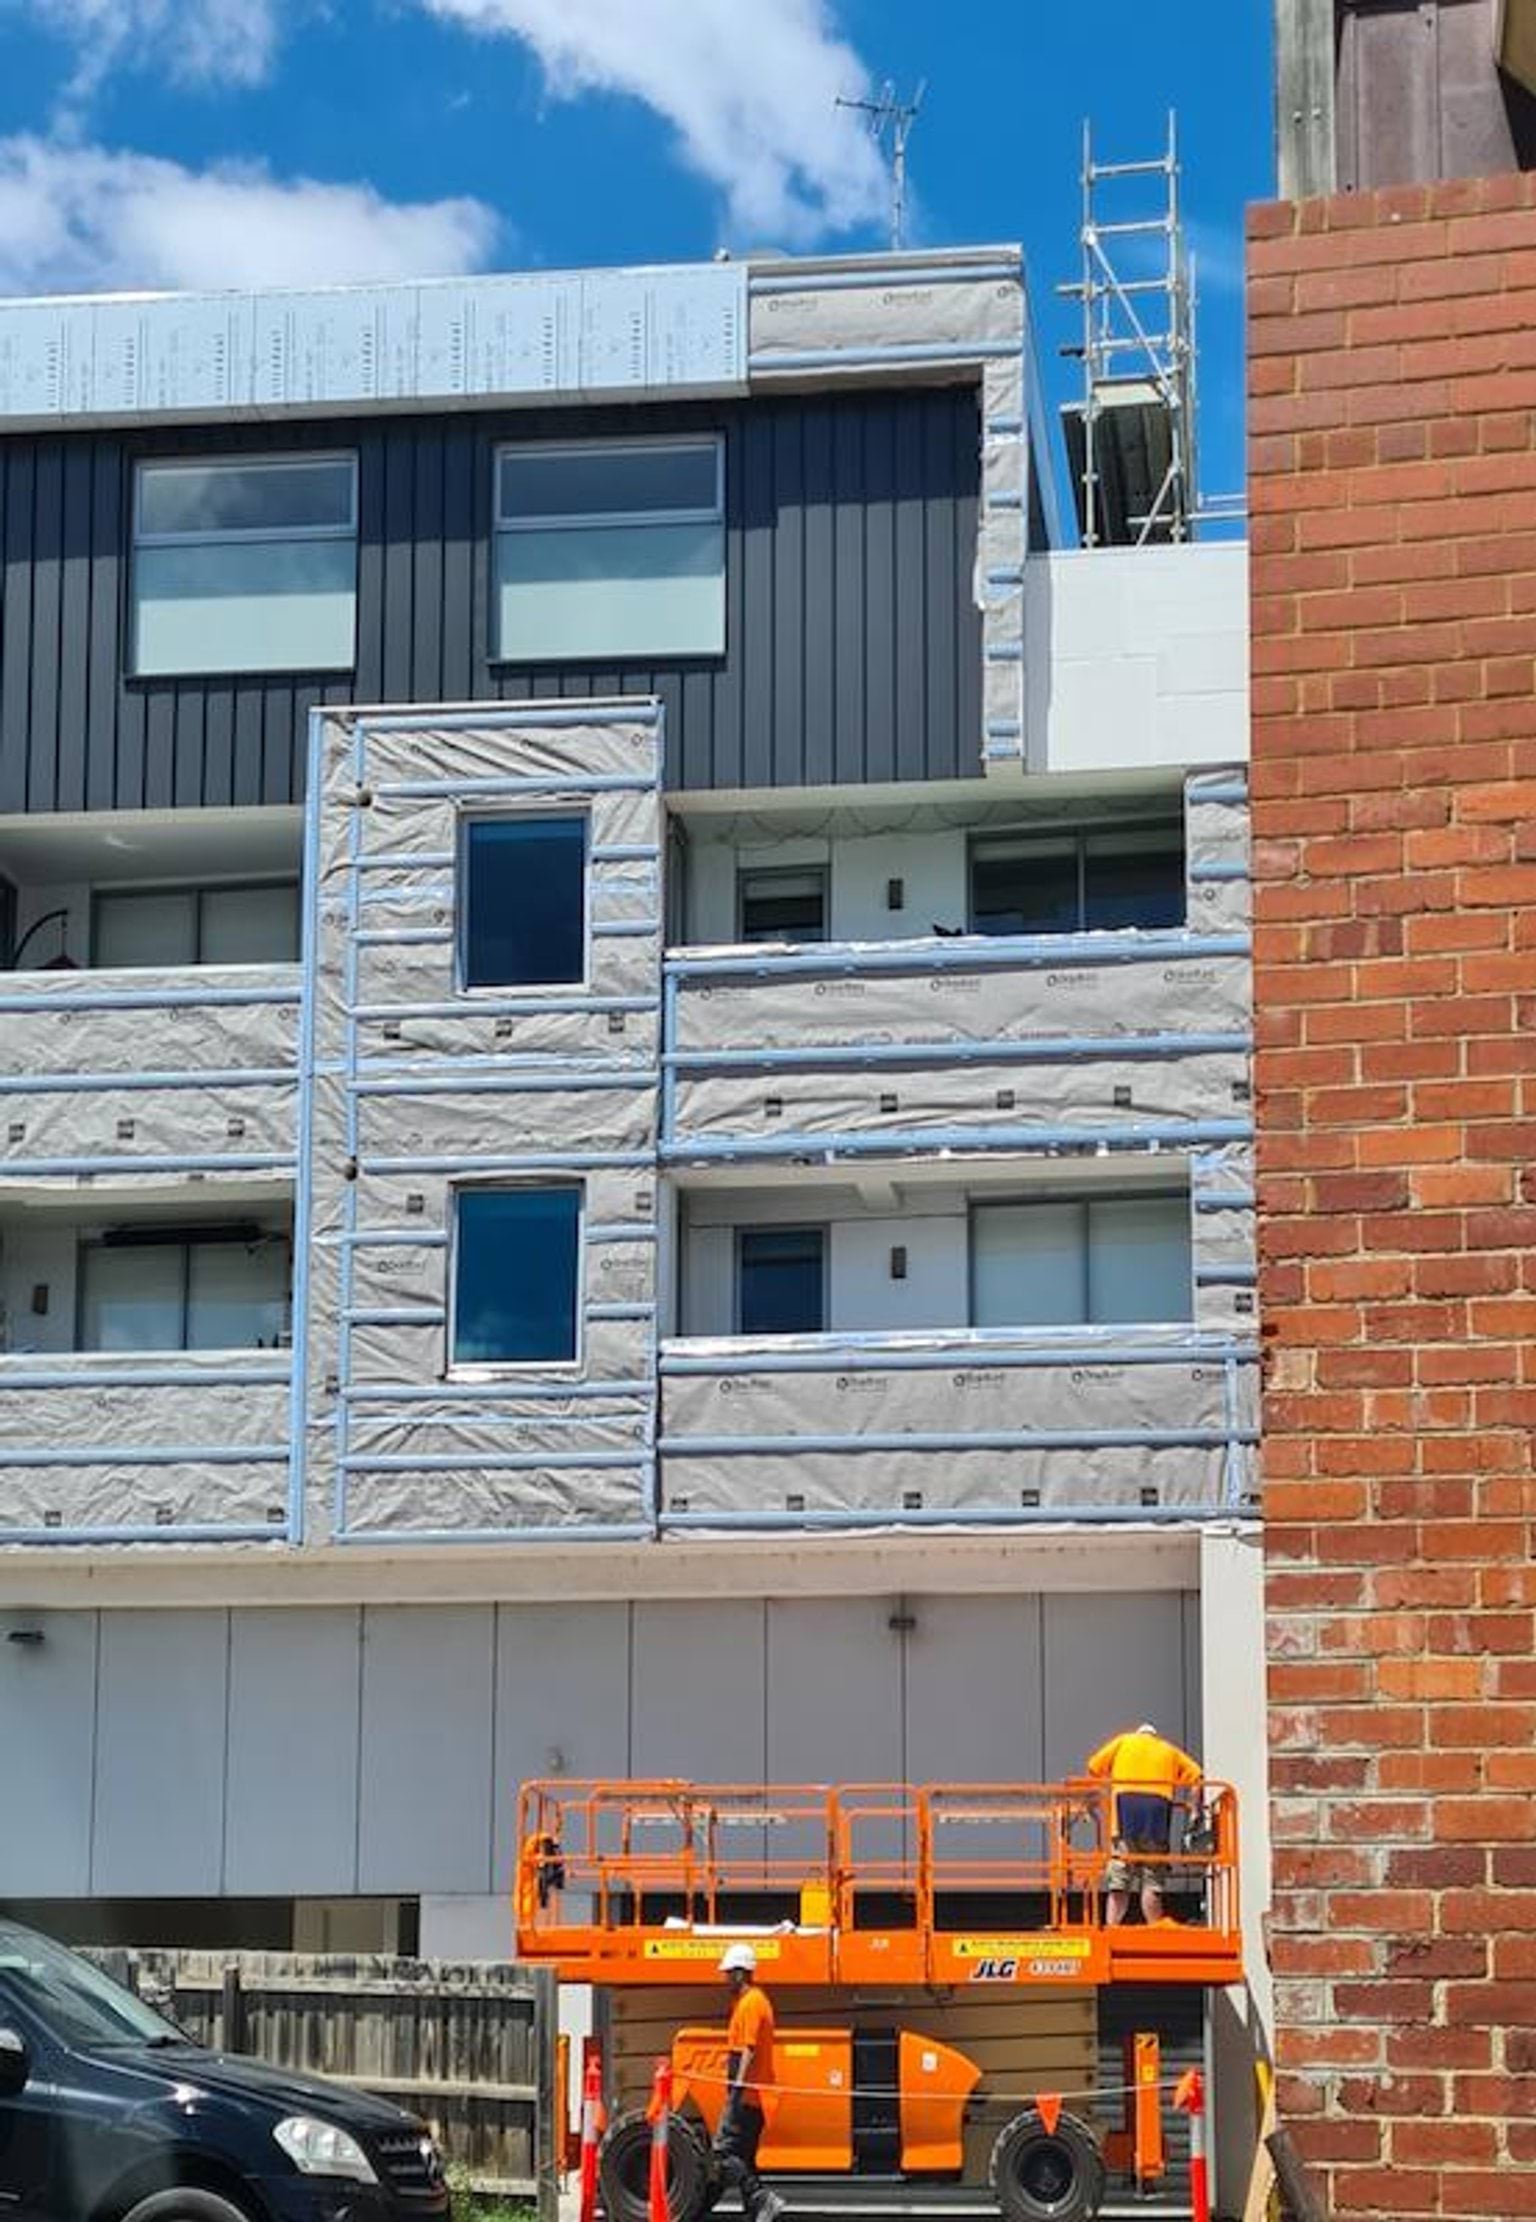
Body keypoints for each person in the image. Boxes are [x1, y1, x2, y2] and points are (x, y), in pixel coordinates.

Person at [1085, 1721, 1202, 1927]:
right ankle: (1154, 1927)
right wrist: (1194, 1809)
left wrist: (1091, 1802)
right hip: (1156, 1816)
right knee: (1152, 1878)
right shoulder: (1168, 1750)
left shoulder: (1123, 1741)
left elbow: (1093, 1766)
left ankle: (1112, 1927)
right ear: (1154, 1737)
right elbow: (1197, 1776)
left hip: (1124, 1814)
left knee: (1120, 1878)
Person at [713, 1944, 784, 2222]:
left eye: (729, 1973)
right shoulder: (748, 2002)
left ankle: (761, 2198)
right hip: (751, 2094)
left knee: (724, 2152)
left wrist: (737, 2090)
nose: (725, 1979)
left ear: (741, 1974)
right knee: (745, 2155)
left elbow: (748, 2049)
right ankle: (755, 2211)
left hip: (748, 2095)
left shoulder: (752, 2003)